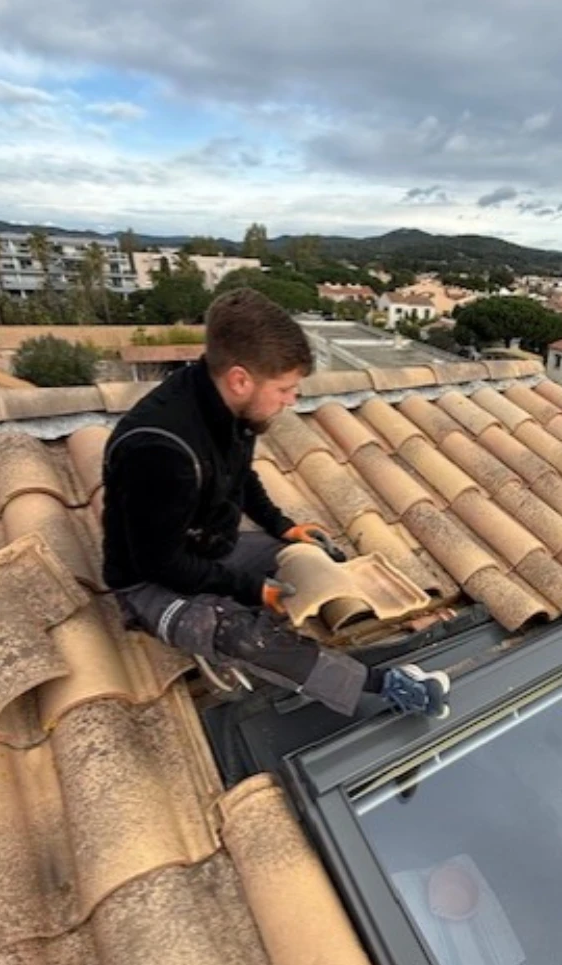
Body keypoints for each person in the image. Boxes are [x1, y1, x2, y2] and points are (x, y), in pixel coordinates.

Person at [102, 287, 450, 718]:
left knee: (312, 554)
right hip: (151, 583)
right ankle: (387, 685)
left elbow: (239, 476)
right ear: (240, 379)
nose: (291, 400)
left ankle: (252, 604)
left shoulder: (226, 405)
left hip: (208, 546)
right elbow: (159, 564)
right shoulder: (159, 450)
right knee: (243, 637)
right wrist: (252, 589)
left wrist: (282, 526)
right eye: (285, 388)